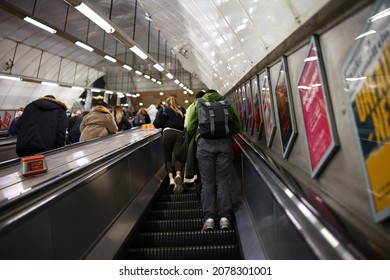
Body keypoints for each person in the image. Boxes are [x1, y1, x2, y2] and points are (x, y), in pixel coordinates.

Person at [186, 89, 242, 231]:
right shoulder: (227, 103)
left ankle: (209, 219)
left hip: (204, 145)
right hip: (224, 145)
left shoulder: (197, 103)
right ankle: (224, 218)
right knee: (223, 181)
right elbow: (238, 126)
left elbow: (190, 127)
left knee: (207, 182)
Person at [153, 96, 186, 194]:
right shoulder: (180, 112)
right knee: (177, 157)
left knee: (167, 157)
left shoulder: (163, 110)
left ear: (166, 103)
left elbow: (156, 124)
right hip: (179, 134)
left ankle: (171, 180)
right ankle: (179, 175)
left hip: (167, 133)